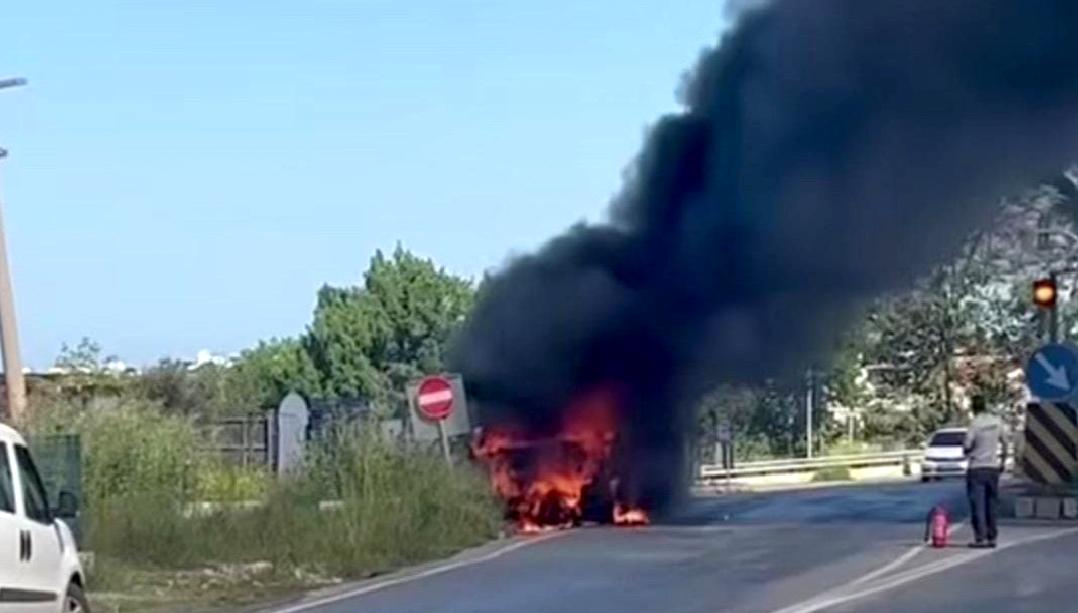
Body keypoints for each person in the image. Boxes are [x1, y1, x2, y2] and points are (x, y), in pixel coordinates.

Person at [963, 394, 1006, 548]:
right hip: (992, 468)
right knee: (992, 504)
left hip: (976, 468)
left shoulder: (975, 424)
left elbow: (967, 445)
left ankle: (980, 538)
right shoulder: (996, 421)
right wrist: (1002, 461)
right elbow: (1005, 441)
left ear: (974, 408)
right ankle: (992, 537)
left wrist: (968, 452)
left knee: (978, 505)